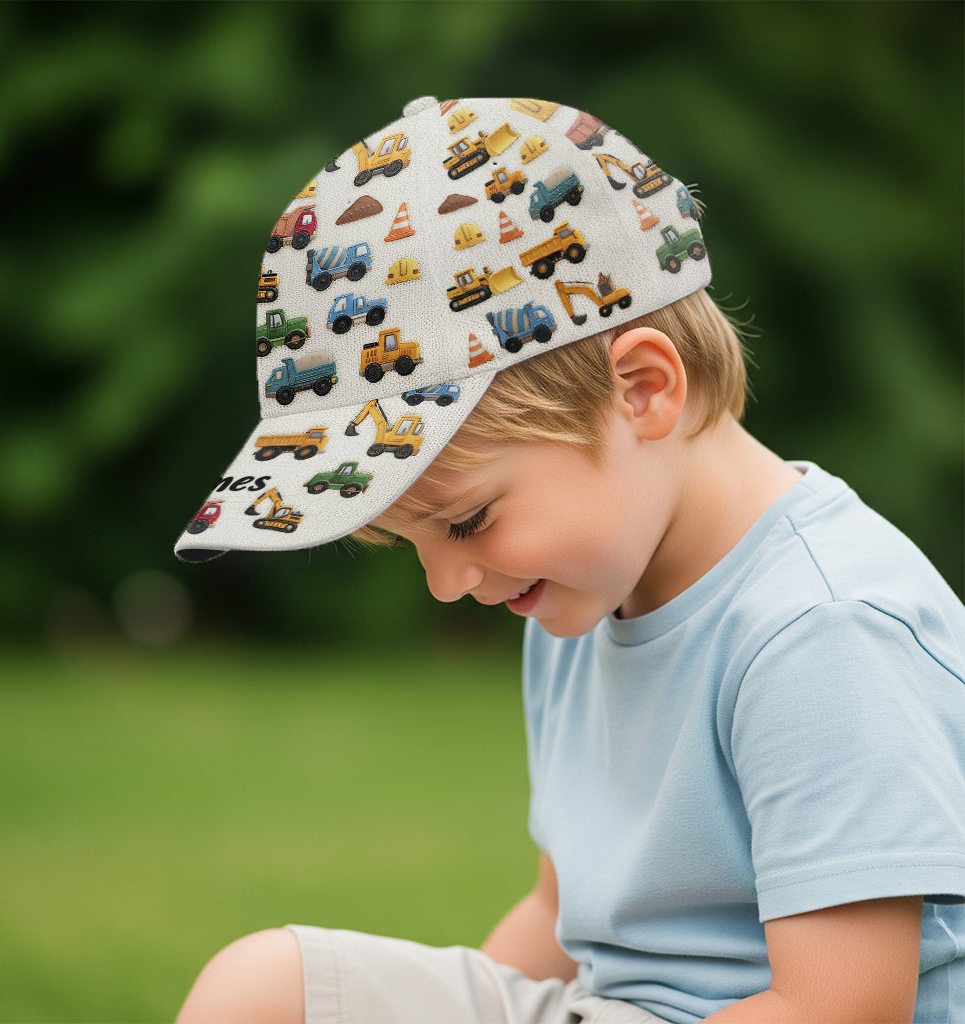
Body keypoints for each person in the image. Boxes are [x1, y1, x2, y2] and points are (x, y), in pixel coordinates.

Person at [173, 96, 965, 1023]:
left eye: (467, 522)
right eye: (412, 543)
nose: (447, 585)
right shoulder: (577, 597)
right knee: (264, 989)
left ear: (643, 391)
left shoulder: (821, 629)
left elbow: (840, 1008)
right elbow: (561, 916)